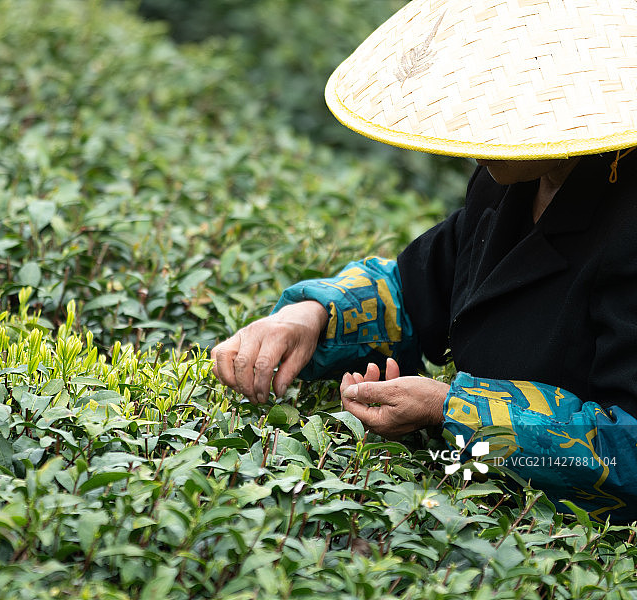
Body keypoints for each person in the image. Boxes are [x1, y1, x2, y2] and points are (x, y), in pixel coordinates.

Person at [212, 0, 637, 523]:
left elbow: (629, 448)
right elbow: (417, 289)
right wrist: (309, 317)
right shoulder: (506, 184)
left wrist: (451, 409)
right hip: (479, 504)